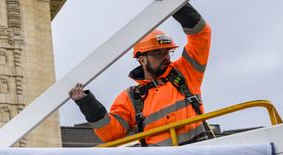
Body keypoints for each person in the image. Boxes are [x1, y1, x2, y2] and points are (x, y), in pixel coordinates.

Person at [70, 4, 212, 146]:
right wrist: (86, 103)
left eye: (167, 52)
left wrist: (176, 4)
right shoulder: (131, 98)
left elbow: (201, 34)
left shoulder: (186, 71)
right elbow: (111, 133)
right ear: (142, 59)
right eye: (158, 53)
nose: (166, 58)